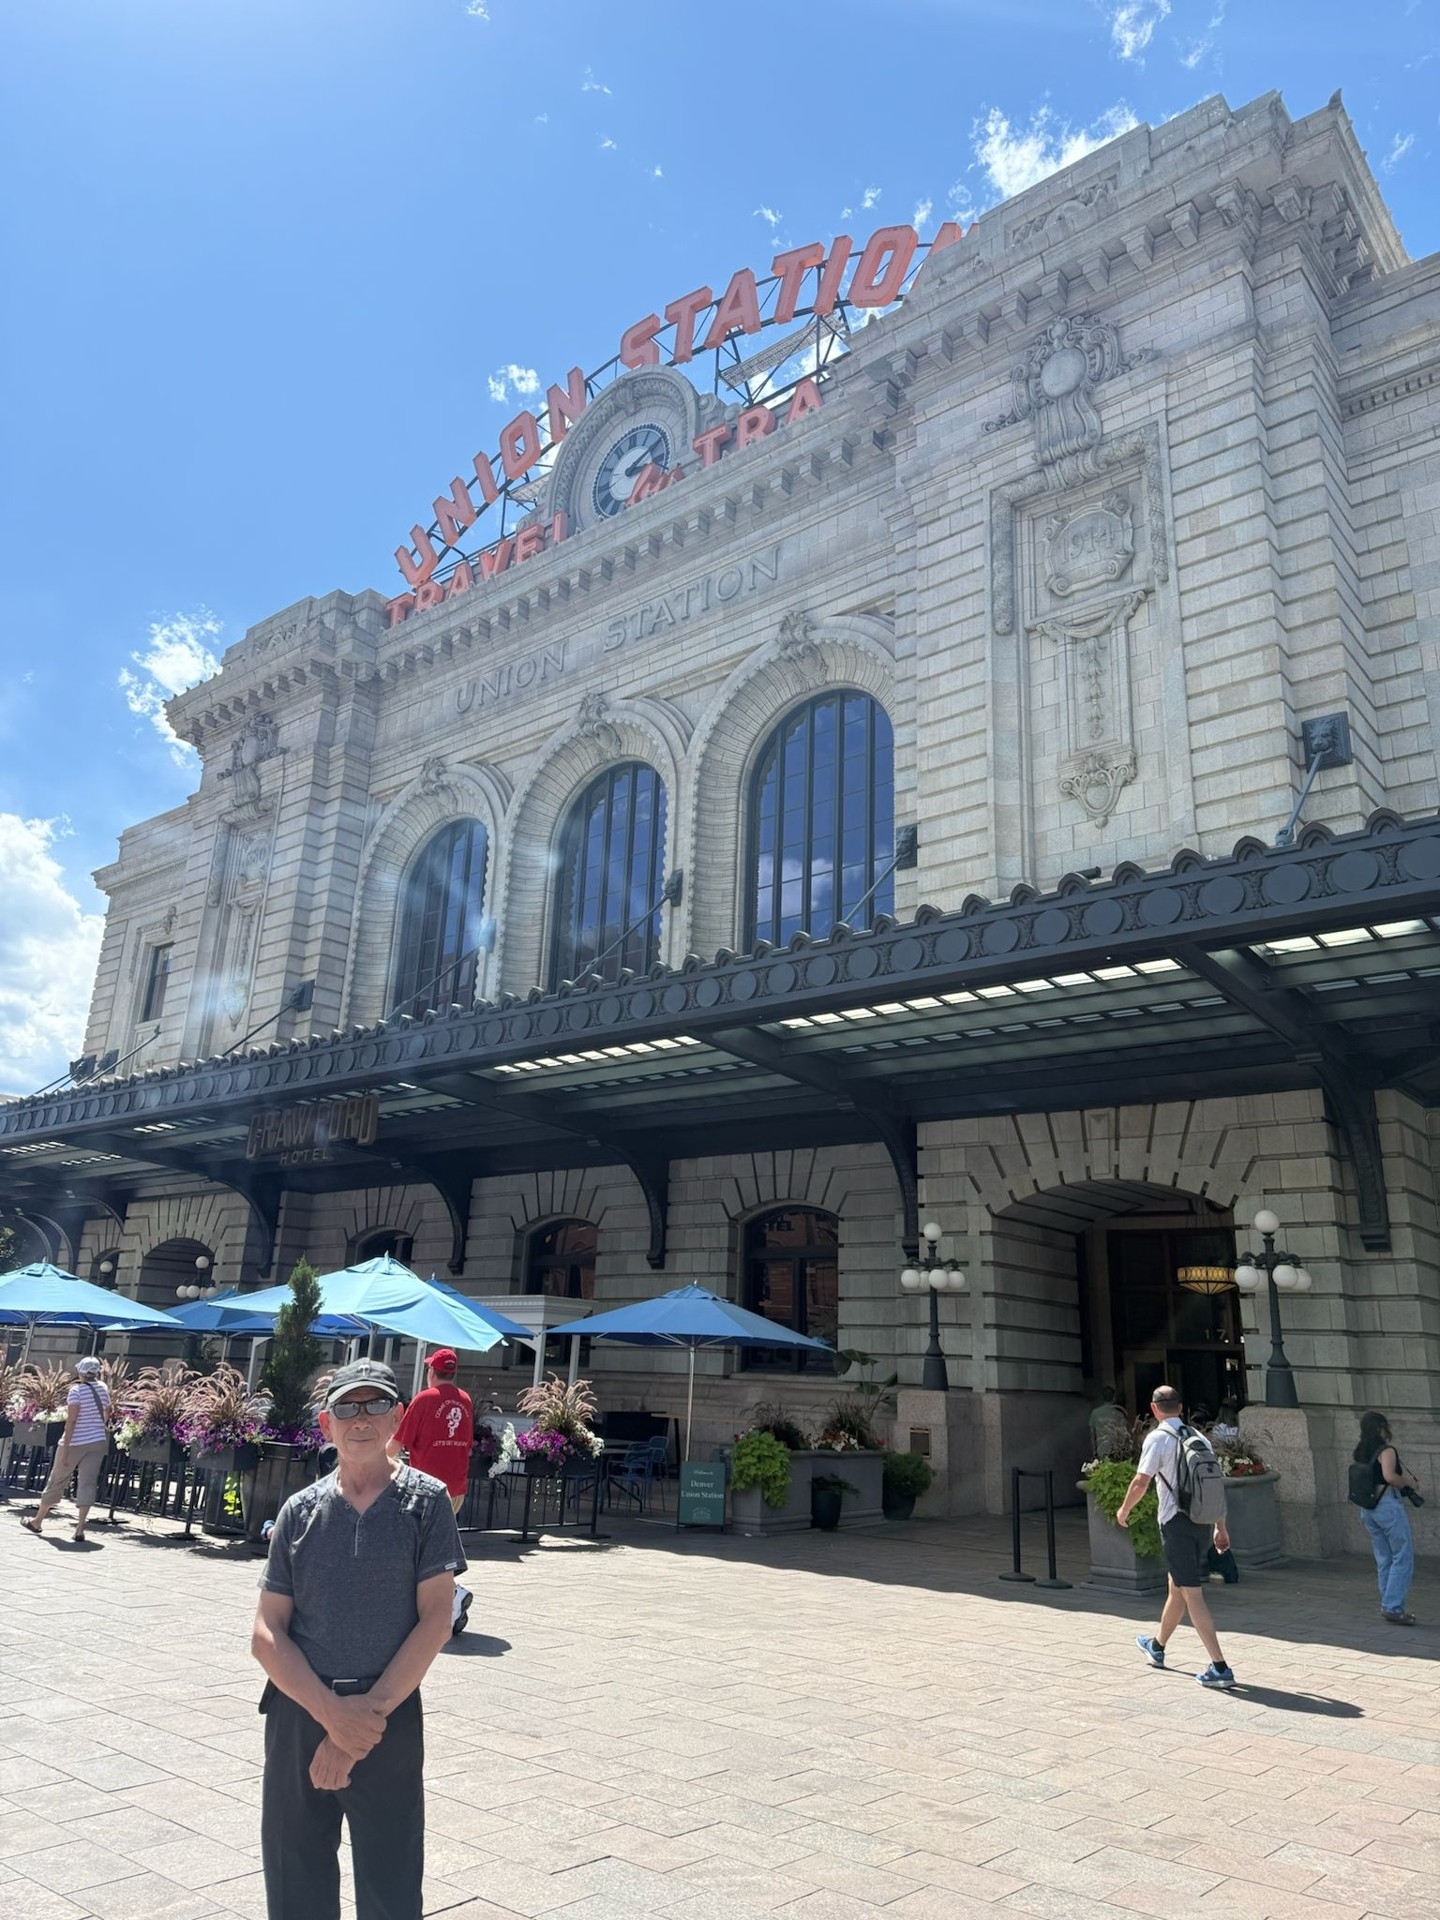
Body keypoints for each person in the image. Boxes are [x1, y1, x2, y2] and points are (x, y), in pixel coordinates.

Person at [251, 1358, 467, 1920]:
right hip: (300, 1712)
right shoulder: (300, 1511)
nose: (361, 1418)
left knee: (391, 1886)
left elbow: (435, 1621)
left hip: (387, 1712)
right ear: (327, 1424)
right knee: (294, 1878)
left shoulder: (426, 1503)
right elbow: (267, 1632)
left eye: (376, 1404)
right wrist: (331, 1716)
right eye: (347, 1408)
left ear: (398, 1417)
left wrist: (353, 1732)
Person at [1116, 1384, 1236, 1689]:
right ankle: (1157, 1646)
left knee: (1191, 1593)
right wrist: (1220, 1527)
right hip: (1201, 1522)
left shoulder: (1158, 1438)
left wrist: (1124, 1509)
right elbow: (1213, 1487)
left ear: (1154, 1409)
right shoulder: (1199, 1438)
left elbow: (1141, 1481)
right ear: (1181, 1408)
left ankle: (1220, 1667)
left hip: (1175, 1523)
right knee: (1177, 1587)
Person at [387, 1348, 474, 1637]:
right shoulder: (465, 1400)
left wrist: (373, 1464)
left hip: (426, 1490)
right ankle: (441, 1603)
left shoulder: (425, 1399)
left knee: (415, 1549)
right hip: (456, 1487)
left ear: (432, 1372)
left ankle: (453, 1594)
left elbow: (397, 1443)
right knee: (430, 1548)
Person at [23, 1356, 110, 1543]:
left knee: (58, 1479)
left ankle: (37, 1521)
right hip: (97, 1441)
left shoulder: (76, 1391)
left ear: (81, 1372)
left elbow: (71, 1421)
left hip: (75, 1442)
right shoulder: (103, 1388)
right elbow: (107, 1412)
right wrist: (97, 1425)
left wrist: (66, 1447)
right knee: (87, 1482)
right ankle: (80, 1528)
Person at [1352, 1410, 1420, 1625]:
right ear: (1381, 1427)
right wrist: (1408, 1482)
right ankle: (1392, 1607)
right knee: (1402, 1556)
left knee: (1384, 1558)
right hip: (1387, 1506)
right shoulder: (1386, 1450)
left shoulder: (1360, 1450)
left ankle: (1388, 1603)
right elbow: (1390, 1476)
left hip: (1369, 1508)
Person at [1087, 1387, 1130, 1459]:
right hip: (1116, 1452)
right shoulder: (1119, 1415)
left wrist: (1094, 1452)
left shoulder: (1095, 1413)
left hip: (1101, 1451)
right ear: (1114, 1398)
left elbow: (1092, 1435)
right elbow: (1125, 1436)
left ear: (1102, 1397)